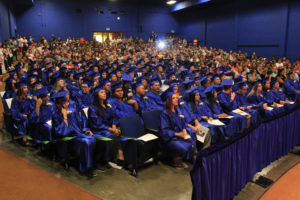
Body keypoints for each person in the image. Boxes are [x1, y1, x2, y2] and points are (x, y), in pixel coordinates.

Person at [52, 90, 96, 177]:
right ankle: (85, 168)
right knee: (86, 142)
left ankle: (88, 165)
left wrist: (86, 130)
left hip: (78, 134)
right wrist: (64, 117)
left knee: (92, 139)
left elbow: (81, 121)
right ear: (58, 105)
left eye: (67, 102)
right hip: (68, 139)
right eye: (63, 103)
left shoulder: (72, 110)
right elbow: (61, 132)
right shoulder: (56, 115)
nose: (66, 104)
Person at [88, 87, 124, 166]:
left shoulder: (107, 106)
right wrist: (112, 129)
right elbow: (97, 124)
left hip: (108, 128)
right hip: (98, 129)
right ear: (97, 95)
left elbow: (113, 117)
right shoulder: (93, 108)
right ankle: (112, 158)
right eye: (101, 92)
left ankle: (118, 154)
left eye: (104, 92)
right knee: (111, 135)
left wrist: (114, 126)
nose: (104, 93)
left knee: (121, 130)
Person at [160, 91, 196, 169]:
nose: (176, 100)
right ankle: (176, 161)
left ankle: (187, 157)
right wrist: (178, 134)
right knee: (185, 147)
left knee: (192, 140)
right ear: (169, 100)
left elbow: (183, 123)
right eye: (173, 98)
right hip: (171, 137)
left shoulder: (177, 110)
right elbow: (164, 130)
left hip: (180, 135)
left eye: (177, 98)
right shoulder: (165, 113)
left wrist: (184, 130)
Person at [11, 81, 35, 145]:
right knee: (26, 120)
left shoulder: (28, 98)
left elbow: (32, 108)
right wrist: (22, 115)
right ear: (20, 89)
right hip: (20, 118)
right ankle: (24, 139)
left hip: (28, 115)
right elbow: (15, 111)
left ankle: (33, 137)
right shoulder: (16, 99)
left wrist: (31, 100)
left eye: (26, 87)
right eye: (24, 88)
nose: (26, 89)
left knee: (34, 118)